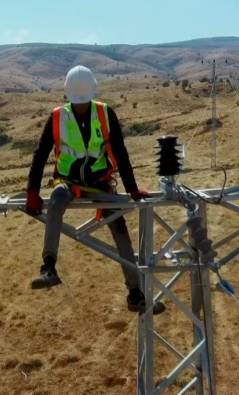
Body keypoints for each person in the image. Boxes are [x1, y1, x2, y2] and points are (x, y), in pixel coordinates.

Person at [25, 65, 165, 314]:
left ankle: (134, 293)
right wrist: (32, 192)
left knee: (118, 226)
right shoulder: (57, 116)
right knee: (57, 198)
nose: (79, 106)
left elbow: (120, 152)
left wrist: (132, 190)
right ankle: (49, 267)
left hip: (100, 183)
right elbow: (40, 154)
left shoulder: (104, 113)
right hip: (68, 183)